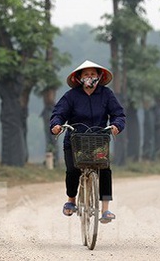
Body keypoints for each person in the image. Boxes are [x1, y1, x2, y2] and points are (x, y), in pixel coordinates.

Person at [50, 60, 125, 224]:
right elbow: (59, 113)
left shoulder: (106, 94)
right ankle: (71, 200)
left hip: (98, 140)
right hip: (75, 140)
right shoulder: (71, 96)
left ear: (99, 77)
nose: (90, 77)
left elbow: (118, 114)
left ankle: (105, 209)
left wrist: (116, 125)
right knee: (72, 171)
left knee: (105, 170)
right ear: (79, 78)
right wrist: (56, 125)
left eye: (93, 74)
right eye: (86, 74)